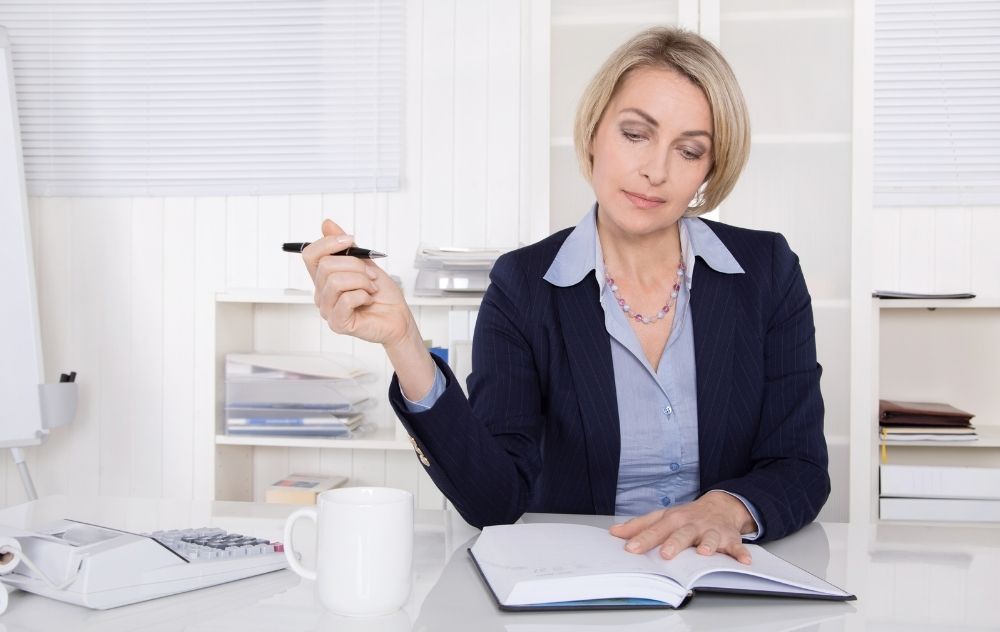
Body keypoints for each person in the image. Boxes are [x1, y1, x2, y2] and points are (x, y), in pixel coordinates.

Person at [302, 27, 829, 565]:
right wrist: (405, 342)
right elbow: (493, 500)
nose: (656, 170)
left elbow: (801, 466)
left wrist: (727, 508)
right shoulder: (523, 287)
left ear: (708, 170)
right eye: (634, 134)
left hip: (726, 577)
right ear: (594, 131)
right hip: (579, 582)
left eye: (689, 150)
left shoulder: (767, 271)